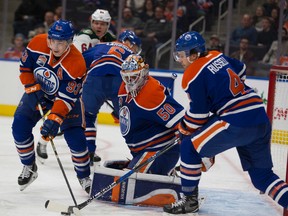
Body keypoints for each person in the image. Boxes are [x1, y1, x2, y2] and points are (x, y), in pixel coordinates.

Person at [163, 31, 288, 214]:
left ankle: (189, 201)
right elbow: (242, 69)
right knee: (261, 177)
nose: (180, 60)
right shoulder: (217, 55)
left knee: (189, 146)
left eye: (182, 55)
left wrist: (183, 129)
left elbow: (198, 115)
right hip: (259, 117)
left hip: (236, 120)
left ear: (194, 54)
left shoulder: (192, 73)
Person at [12, 19, 92, 193]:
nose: (54, 46)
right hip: (39, 92)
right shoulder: (37, 42)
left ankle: (84, 177)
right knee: (19, 125)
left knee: (75, 138)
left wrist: (54, 120)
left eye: (60, 42)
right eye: (52, 40)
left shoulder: (77, 63)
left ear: (70, 42)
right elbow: (25, 67)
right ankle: (29, 166)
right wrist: (30, 86)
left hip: (65, 100)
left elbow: (66, 99)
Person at [36, 9, 117, 163]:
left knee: (88, 116)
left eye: (103, 23)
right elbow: (73, 59)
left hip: (90, 81)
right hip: (73, 80)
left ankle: (89, 150)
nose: (99, 26)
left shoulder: (110, 39)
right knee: (62, 114)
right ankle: (42, 142)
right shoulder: (84, 37)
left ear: (108, 24)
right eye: (96, 23)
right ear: (91, 22)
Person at [81, 30, 142, 166]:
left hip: (94, 79)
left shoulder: (101, 45)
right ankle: (140, 154)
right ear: (127, 42)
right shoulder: (131, 54)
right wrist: (119, 111)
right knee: (128, 120)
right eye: (135, 46)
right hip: (119, 81)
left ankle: (89, 153)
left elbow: (81, 59)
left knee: (88, 117)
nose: (135, 50)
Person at [118, 54, 184, 174]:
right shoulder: (124, 87)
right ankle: (167, 174)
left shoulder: (151, 93)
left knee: (124, 186)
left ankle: (167, 171)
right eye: (126, 78)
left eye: (133, 77)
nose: (129, 82)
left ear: (143, 73)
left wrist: (196, 148)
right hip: (141, 151)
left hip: (159, 150)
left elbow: (181, 121)